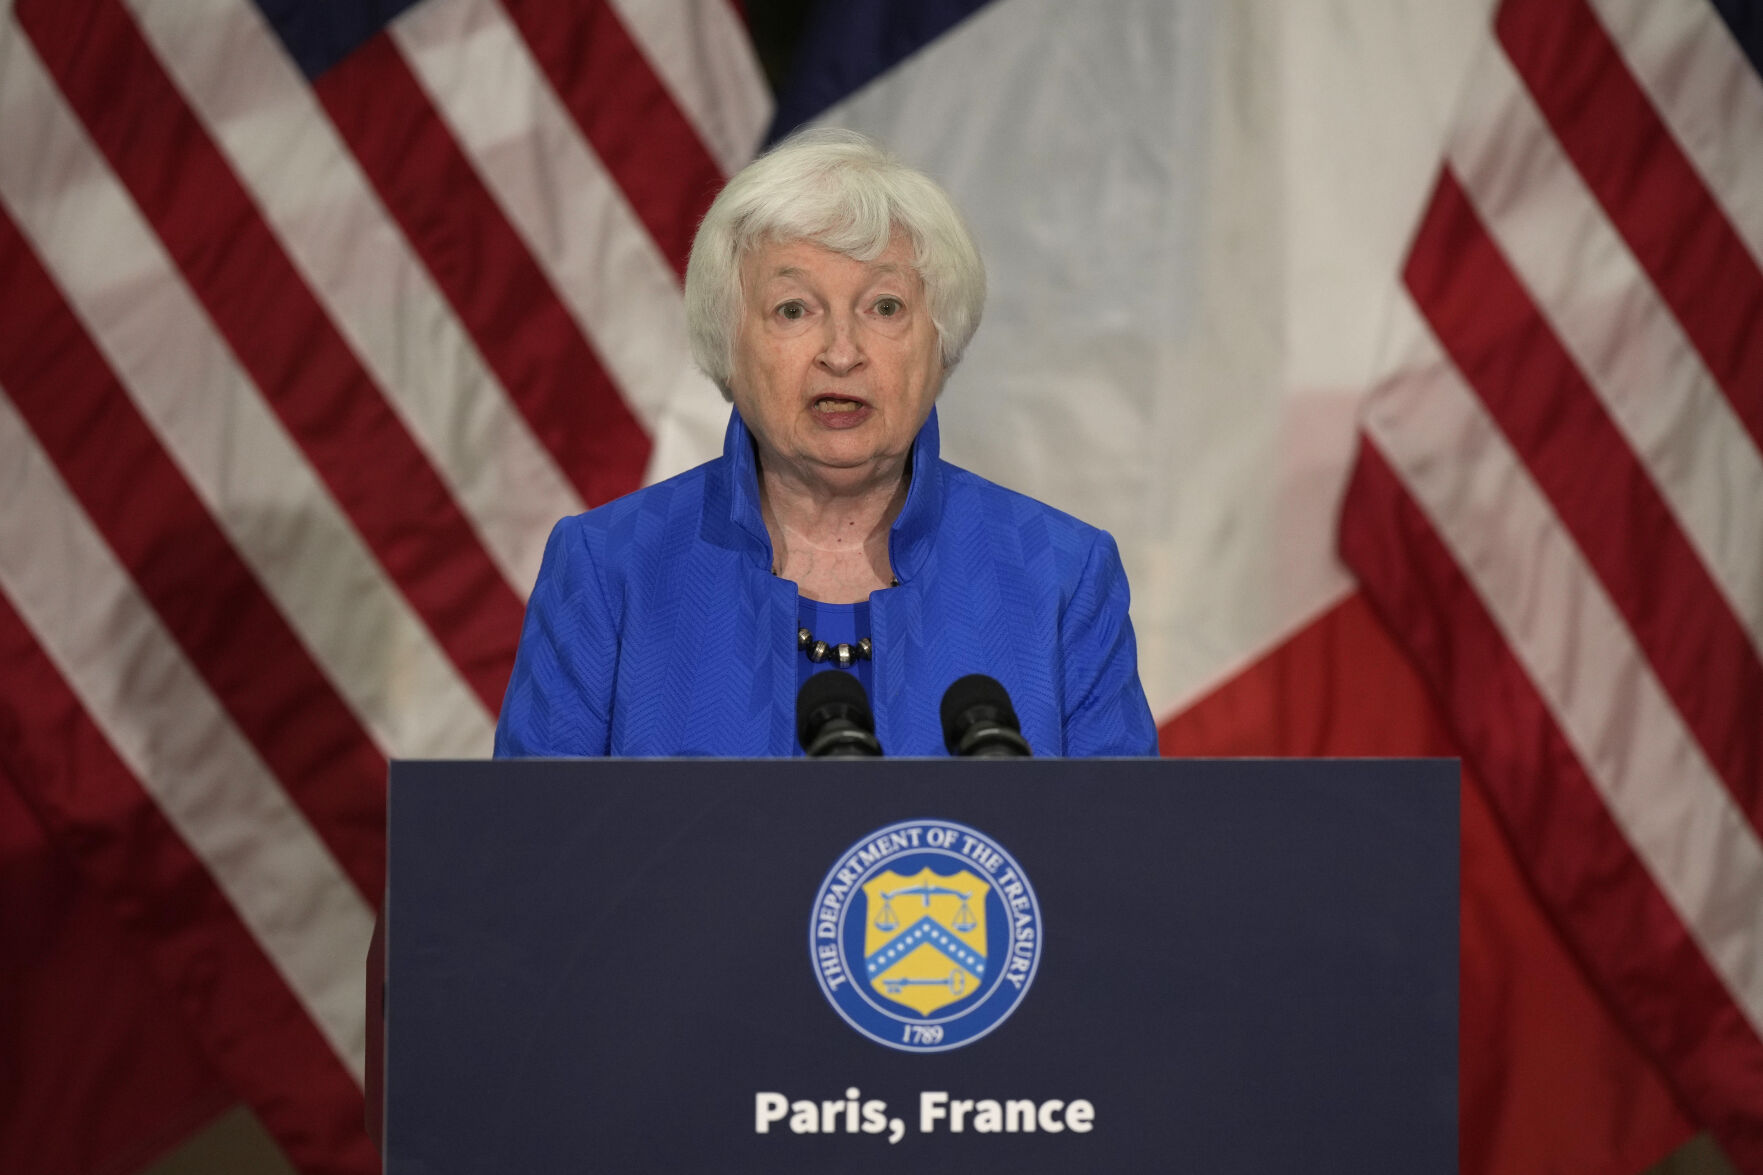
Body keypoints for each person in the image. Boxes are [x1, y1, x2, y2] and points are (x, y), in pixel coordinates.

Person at [495, 128, 1156, 757]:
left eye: (885, 307)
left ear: (941, 340)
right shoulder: (609, 570)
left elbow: (1118, 855)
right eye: (793, 309)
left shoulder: (1060, 577)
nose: (842, 353)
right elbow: (531, 853)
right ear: (726, 342)